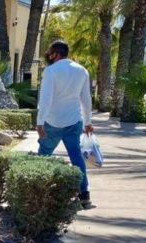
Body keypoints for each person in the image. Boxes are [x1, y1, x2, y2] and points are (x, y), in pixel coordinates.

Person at [36, 40, 94, 207]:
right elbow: (86, 98)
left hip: (52, 121)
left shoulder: (51, 71)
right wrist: (88, 122)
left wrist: (40, 121)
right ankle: (84, 194)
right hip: (74, 121)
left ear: (56, 54)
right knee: (76, 156)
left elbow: (46, 98)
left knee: (44, 154)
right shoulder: (82, 70)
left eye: (49, 52)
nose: (48, 55)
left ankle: (37, 191)